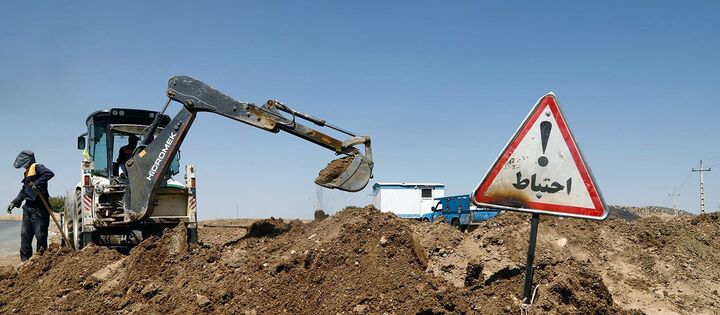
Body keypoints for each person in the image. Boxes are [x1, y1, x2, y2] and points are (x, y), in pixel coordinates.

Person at [7, 150, 54, 261]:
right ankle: (25, 260)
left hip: (40, 207)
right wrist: (15, 202)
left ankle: (40, 260)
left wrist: (37, 183)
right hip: (28, 208)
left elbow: (49, 173)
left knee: (40, 234)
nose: (23, 167)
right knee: (25, 235)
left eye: (24, 164)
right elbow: (24, 190)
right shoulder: (27, 172)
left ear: (29, 160)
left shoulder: (37, 166)